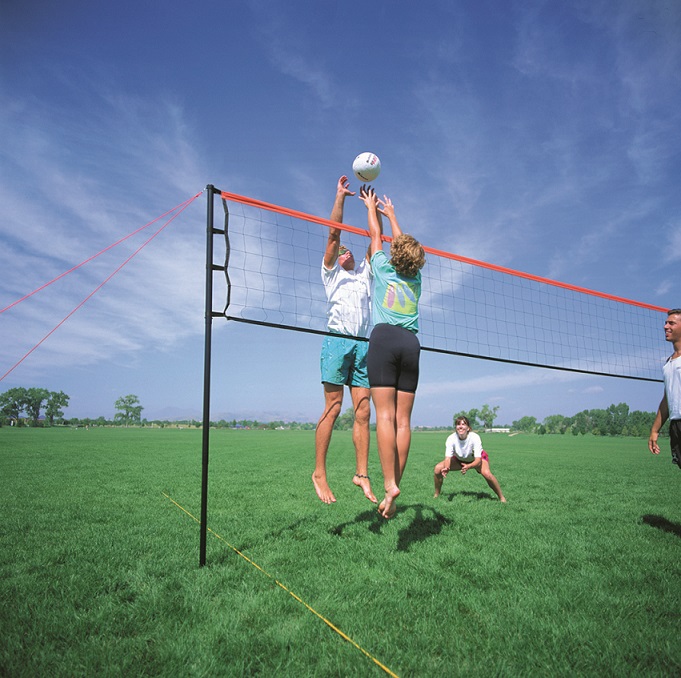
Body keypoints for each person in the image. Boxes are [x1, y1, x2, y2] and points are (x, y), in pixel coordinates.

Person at [358, 185, 426, 518]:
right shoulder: (417, 280)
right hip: (411, 345)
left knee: (383, 416)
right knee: (403, 421)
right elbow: (405, 248)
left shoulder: (383, 266)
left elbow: (375, 234)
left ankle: (388, 483)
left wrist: (373, 208)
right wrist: (394, 215)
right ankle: (395, 485)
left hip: (384, 339)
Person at [313, 176, 377, 505]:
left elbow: (375, 242)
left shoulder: (365, 274)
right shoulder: (331, 274)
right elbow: (333, 233)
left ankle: (361, 474)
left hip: (363, 345)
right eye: (339, 251)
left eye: (347, 249)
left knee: (364, 412)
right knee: (334, 407)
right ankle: (319, 472)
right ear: (335, 259)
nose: (344, 250)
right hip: (337, 340)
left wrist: (372, 209)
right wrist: (339, 195)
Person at [434, 416, 507, 502]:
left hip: (476, 460)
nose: (460, 426)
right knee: (438, 469)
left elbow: (478, 460)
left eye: (463, 424)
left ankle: (501, 497)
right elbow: (448, 458)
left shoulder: (474, 437)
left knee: (487, 474)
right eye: (458, 424)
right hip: (459, 459)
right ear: (456, 427)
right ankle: (437, 494)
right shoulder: (451, 438)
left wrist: (469, 466)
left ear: (468, 428)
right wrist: (447, 467)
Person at [648, 308, 681, 469]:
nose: (666, 326)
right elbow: (667, 399)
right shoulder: (668, 362)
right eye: (666, 322)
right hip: (676, 425)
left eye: (671, 323)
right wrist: (655, 430)